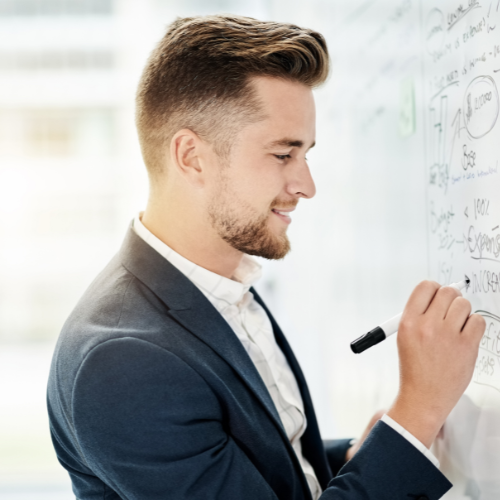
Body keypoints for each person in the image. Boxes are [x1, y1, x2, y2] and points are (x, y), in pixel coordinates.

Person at [47, 15, 486, 500]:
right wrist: (418, 410)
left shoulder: (217, 287)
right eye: (283, 154)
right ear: (192, 157)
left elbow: (263, 460)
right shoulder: (121, 364)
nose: (306, 185)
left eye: (306, 154)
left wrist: (359, 454)